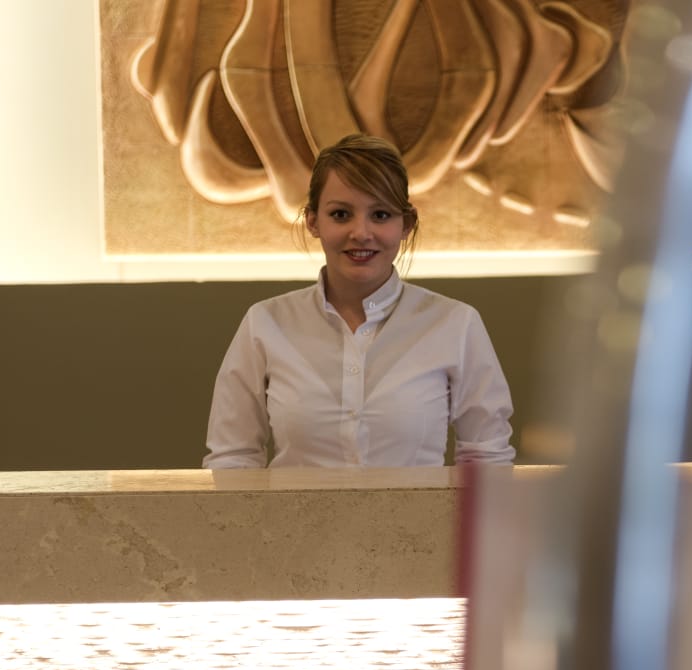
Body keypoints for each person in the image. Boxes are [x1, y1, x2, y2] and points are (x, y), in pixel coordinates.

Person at [204, 134, 515, 468]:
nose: (361, 233)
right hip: (291, 506)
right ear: (313, 221)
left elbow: (487, 460)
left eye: (380, 215)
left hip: (417, 507)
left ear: (406, 224)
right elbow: (232, 458)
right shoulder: (265, 323)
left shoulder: (455, 324)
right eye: (341, 214)